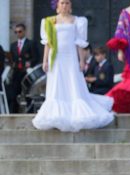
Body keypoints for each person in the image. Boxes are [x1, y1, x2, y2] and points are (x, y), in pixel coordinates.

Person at [32, 0, 114, 132]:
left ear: (70, 6)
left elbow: (79, 43)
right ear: (57, 6)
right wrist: (45, 60)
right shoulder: (49, 21)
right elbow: (47, 43)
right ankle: (55, 114)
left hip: (70, 57)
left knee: (73, 83)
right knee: (57, 84)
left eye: (67, 3)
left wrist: (81, 61)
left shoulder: (78, 21)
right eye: (62, 3)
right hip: (56, 57)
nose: (64, 5)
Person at [7, 23, 39, 113]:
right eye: (16, 32)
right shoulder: (13, 45)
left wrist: (30, 63)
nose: (18, 34)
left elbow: (36, 57)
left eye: (20, 31)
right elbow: (12, 58)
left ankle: (30, 113)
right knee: (14, 93)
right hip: (17, 72)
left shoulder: (31, 43)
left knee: (28, 93)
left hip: (27, 73)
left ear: (24, 31)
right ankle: (13, 113)